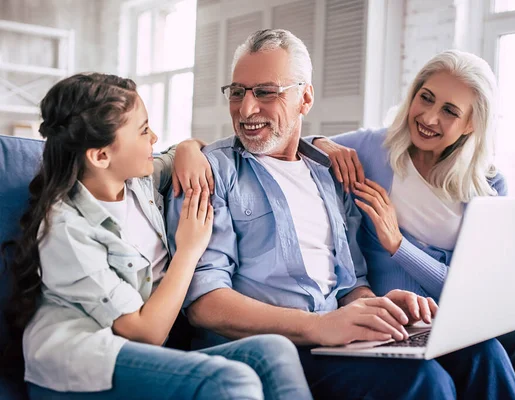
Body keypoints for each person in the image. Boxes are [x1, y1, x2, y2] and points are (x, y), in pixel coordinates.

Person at [167, 29, 515, 400]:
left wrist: (378, 308)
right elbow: (204, 304)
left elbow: (350, 283)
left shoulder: (331, 173)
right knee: (424, 380)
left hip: (333, 339)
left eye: (266, 92)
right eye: (238, 91)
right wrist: (320, 326)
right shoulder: (212, 172)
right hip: (269, 348)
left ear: (305, 98)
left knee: (482, 353)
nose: (246, 109)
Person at [2, 73, 312, 400]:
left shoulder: (138, 183)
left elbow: (183, 150)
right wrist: (188, 251)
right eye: (142, 130)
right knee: (229, 380)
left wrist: (189, 149)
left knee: (273, 350)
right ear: (100, 156)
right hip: (80, 367)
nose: (154, 137)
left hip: (135, 359)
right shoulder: (65, 229)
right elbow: (146, 332)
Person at [312, 49, 515, 400]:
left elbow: (474, 290)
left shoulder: (489, 183)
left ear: (471, 124)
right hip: (415, 310)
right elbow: (294, 145)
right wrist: (323, 142)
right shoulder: (375, 149)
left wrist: (399, 246)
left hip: (478, 306)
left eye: (449, 111)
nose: (429, 117)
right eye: (426, 98)